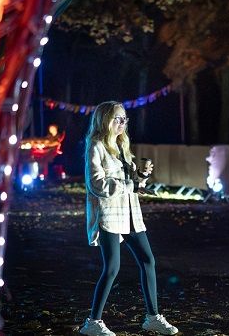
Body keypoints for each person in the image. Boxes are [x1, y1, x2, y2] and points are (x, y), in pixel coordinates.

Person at [79, 102, 178, 336]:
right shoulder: (96, 146)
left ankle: (152, 317)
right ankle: (92, 322)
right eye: (117, 119)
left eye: (124, 119)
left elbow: (131, 181)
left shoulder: (122, 145)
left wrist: (140, 176)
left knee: (147, 260)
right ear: (104, 121)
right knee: (112, 268)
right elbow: (96, 185)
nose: (122, 123)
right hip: (109, 214)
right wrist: (130, 184)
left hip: (131, 212)